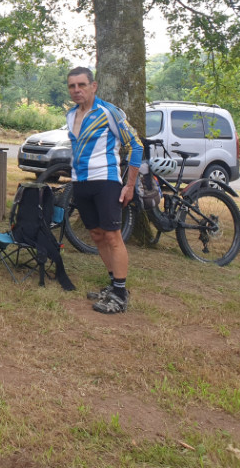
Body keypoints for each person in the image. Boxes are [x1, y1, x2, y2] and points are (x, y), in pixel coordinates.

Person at [66, 67, 143, 315]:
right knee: (97, 235)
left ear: (93, 86)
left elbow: (136, 145)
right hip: (80, 183)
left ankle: (120, 295)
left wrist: (129, 185)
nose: (77, 90)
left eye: (81, 85)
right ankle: (113, 284)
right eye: (72, 86)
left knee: (112, 236)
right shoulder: (70, 115)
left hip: (106, 181)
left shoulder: (108, 112)